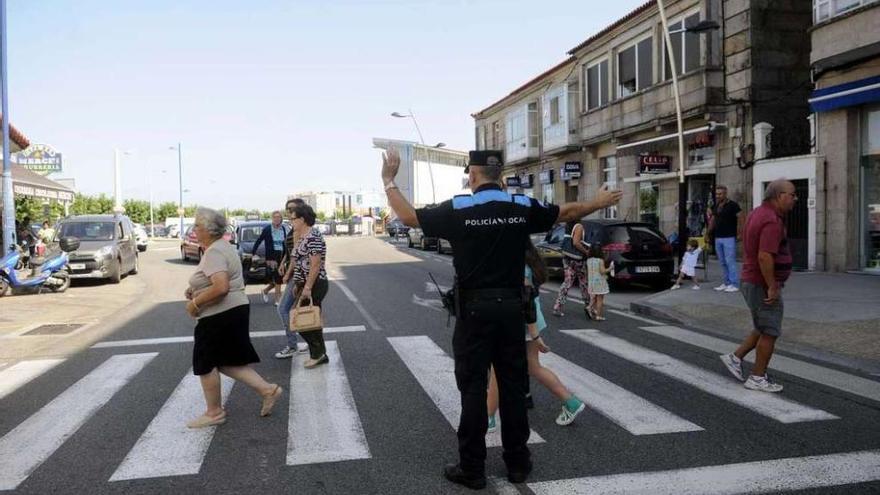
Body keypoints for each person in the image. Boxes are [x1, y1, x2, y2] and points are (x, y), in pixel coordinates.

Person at [381, 147, 621, 489]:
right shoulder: (520, 206)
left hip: (474, 313)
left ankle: (472, 468)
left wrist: (389, 180)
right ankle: (518, 464)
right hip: (512, 311)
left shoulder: (460, 207)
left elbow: (408, 218)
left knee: (474, 389)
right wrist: (598, 201)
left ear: (473, 175)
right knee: (512, 387)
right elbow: (566, 211)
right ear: (500, 176)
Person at [184, 207, 282, 428]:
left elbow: (221, 287)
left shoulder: (214, 252)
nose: (194, 230)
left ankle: (214, 412)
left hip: (219, 314)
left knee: (205, 363)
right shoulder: (222, 247)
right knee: (226, 361)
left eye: (197, 226)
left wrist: (195, 304)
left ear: (208, 230)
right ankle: (268, 390)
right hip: (232, 311)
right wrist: (196, 290)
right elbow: (219, 281)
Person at [487, 240, 586, 433]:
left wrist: (533, 334)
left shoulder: (518, 266)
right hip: (530, 320)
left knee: (498, 369)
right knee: (533, 366)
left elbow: (525, 300)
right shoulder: (527, 262)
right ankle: (570, 402)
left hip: (521, 322)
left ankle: (488, 417)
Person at [720, 179, 797, 393]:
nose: (794, 199)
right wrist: (772, 286)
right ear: (779, 196)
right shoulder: (772, 220)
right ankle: (757, 377)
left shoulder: (757, 212)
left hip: (751, 279)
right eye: (792, 195)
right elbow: (765, 256)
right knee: (770, 331)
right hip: (760, 283)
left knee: (762, 325)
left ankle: (735, 358)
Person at [287, 203, 330, 369]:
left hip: (315, 283)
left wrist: (307, 287)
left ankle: (318, 354)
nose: (291, 221)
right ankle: (319, 354)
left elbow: (315, 264)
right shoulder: (304, 236)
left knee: (302, 321)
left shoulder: (312, 236)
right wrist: (298, 283)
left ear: (302, 219)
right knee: (310, 320)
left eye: (293, 218)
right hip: (306, 283)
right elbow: (300, 263)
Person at [275, 198, 310, 359]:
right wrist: (283, 262)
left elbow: (296, 256)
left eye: (292, 209)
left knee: (283, 309)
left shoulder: (298, 230)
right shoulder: (292, 228)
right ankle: (311, 342)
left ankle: (292, 345)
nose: (289, 212)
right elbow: (289, 251)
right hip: (294, 271)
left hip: (297, 273)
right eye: (287, 209)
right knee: (296, 310)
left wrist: (289, 274)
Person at [552, 220, 590, 318]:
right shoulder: (579, 226)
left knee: (567, 282)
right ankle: (588, 306)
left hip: (566, 257)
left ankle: (558, 307)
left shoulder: (568, 226)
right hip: (577, 259)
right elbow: (576, 242)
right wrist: (586, 252)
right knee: (584, 282)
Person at [708, 185, 742, 293]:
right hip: (718, 237)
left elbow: (741, 218)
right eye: (717, 194)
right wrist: (707, 233)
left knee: (730, 261)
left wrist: (740, 233)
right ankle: (727, 282)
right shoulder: (716, 205)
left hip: (729, 237)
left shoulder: (733, 205)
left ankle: (734, 284)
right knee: (722, 261)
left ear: (725, 193)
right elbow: (713, 220)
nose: (718, 196)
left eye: (720, 194)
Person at [252, 211, 289, 306]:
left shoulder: (283, 229)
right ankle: (277, 300)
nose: (277, 219)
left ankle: (265, 290)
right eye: (275, 217)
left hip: (282, 256)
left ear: (281, 219)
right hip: (272, 257)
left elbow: (286, 243)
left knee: (279, 279)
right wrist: (253, 253)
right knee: (278, 277)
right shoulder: (267, 229)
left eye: (279, 217)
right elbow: (259, 241)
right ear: (272, 218)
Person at [585, 244, 611, 321]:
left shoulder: (588, 260)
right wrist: (610, 268)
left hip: (591, 282)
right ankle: (598, 315)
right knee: (600, 299)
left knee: (594, 297)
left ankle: (589, 307)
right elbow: (602, 271)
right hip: (600, 282)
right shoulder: (600, 260)